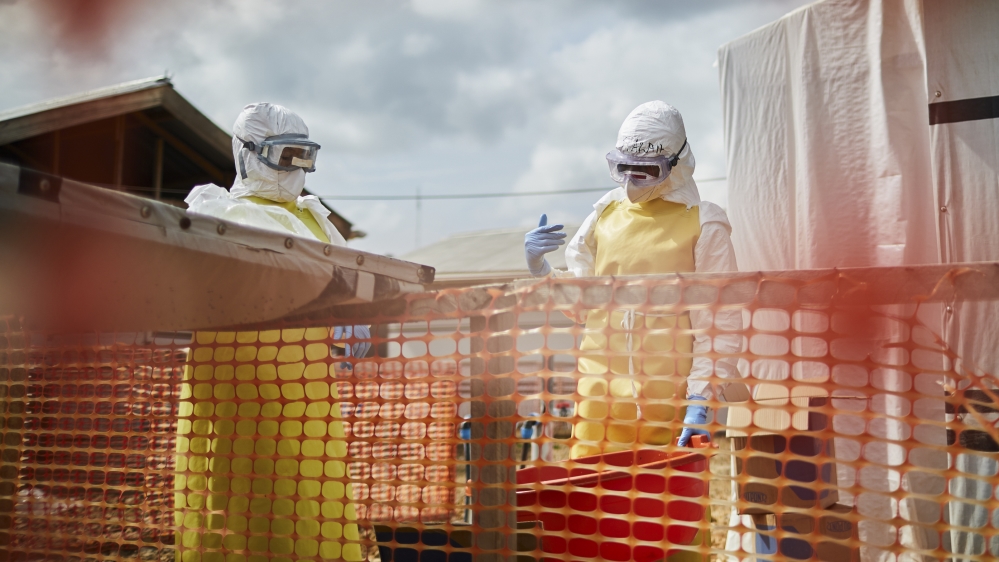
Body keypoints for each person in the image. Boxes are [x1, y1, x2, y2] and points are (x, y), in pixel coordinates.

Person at [176, 103, 373, 562]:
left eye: (305, 157)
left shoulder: (313, 218)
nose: (296, 170)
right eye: (285, 156)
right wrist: (321, 306)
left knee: (309, 490)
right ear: (247, 154)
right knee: (238, 491)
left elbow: (349, 277)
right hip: (239, 384)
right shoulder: (218, 212)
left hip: (306, 386)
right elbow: (225, 286)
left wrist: (353, 309)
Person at [524, 100, 742, 451]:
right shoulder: (605, 214)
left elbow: (720, 324)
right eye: (623, 167)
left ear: (676, 164)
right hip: (598, 399)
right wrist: (542, 270)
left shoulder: (704, 223)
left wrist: (700, 399)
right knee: (590, 498)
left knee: (668, 502)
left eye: (644, 171)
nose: (630, 181)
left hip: (668, 403)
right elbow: (583, 306)